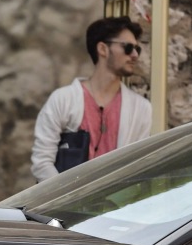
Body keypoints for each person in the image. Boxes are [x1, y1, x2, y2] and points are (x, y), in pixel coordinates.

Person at [30, 16, 152, 183]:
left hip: (112, 205)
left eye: (138, 49)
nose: (135, 55)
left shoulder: (141, 109)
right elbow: (42, 163)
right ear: (102, 49)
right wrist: (67, 199)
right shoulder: (63, 99)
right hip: (59, 204)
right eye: (128, 47)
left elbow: (137, 168)